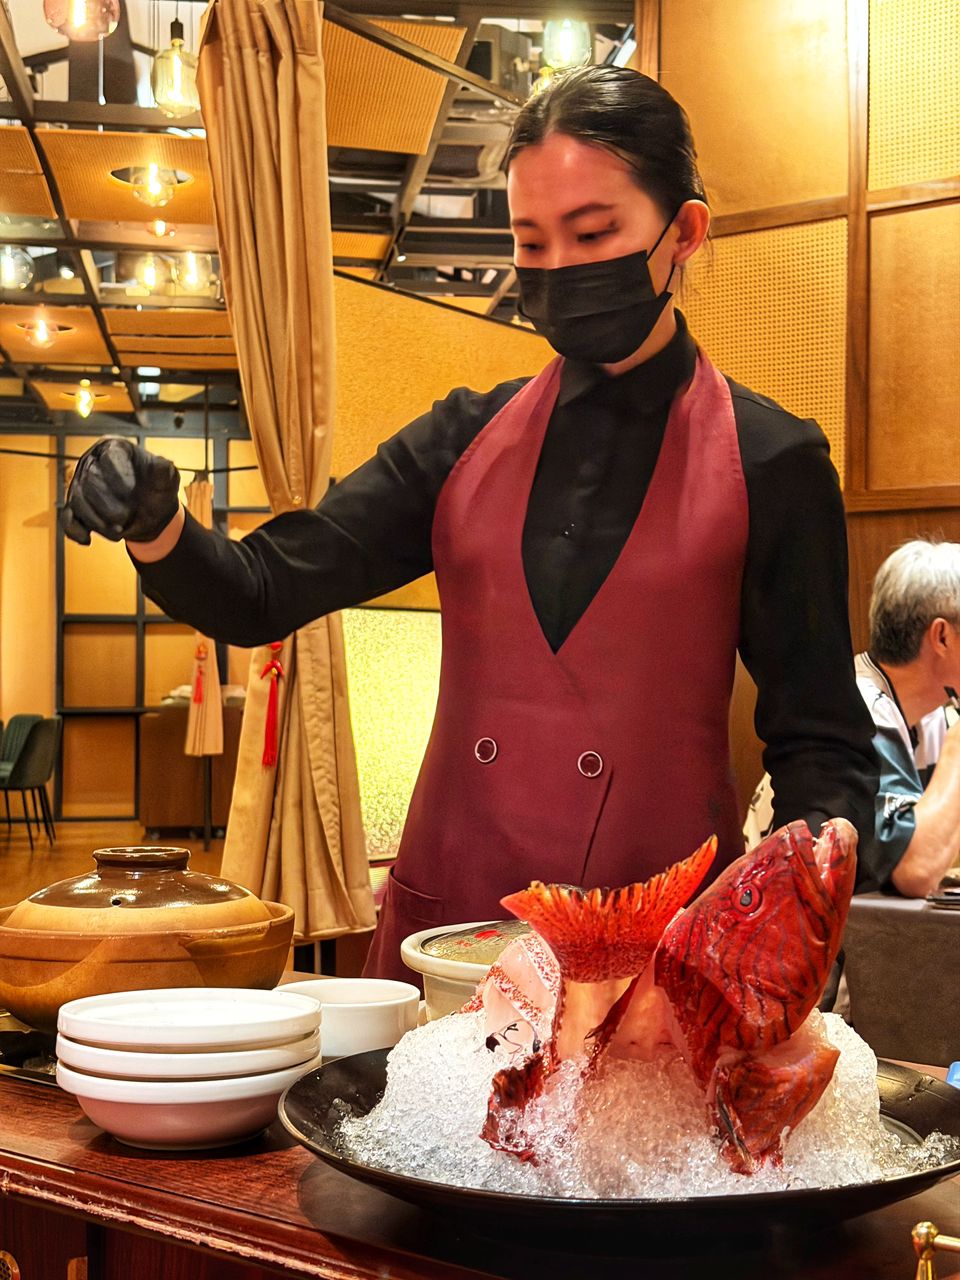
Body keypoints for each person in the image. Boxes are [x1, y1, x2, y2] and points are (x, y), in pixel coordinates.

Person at [60, 67, 878, 981]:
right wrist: (156, 521)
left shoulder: (770, 461)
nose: (559, 267)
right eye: (530, 241)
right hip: (449, 938)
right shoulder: (461, 440)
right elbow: (259, 593)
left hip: (657, 957)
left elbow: (822, 745)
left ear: (683, 231)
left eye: (594, 234)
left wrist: (791, 928)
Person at [745, 539, 960, 897]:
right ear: (942, 637)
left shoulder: (936, 714)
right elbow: (916, 870)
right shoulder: (858, 712)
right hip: (771, 911)